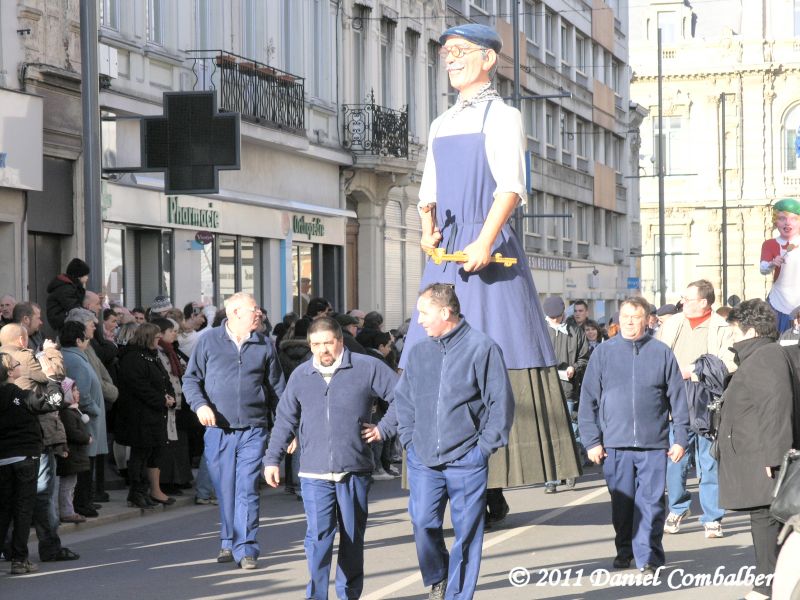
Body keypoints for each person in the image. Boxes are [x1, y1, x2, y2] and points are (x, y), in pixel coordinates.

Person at [399, 22, 579, 524]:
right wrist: (428, 228)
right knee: (431, 348)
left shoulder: (503, 116)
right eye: (446, 53)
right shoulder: (440, 123)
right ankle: (440, 470)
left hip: (487, 246)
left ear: (488, 59)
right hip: (448, 250)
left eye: (460, 51)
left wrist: (484, 240)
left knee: (501, 349)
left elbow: (511, 187)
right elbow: (428, 191)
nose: (451, 59)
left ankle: (494, 477)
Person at [389, 284, 514, 599]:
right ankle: (438, 575)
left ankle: (459, 595)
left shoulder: (482, 348)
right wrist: (409, 440)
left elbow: (500, 404)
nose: (419, 320)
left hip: (467, 460)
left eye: (424, 313)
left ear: (445, 312)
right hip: (423, 459)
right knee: (422, 522)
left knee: (467, 535)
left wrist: (482, 449)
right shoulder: (419, 351)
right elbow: (404, 400)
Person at [264, 317, 398, 600]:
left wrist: (383, 429)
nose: (322, 349)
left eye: (328, 343)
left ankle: (348, 594)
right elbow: (285, 418)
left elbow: (403, 397)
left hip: (354, 469)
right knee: (319, 538)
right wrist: (272, 459)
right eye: (316, 344)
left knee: (351, 537)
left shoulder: (366, 367)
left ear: (340, 340)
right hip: (314, 472)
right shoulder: (301, 375)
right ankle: (316, 595)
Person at [579, 296, 689, 574]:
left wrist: (680, 439)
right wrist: (591, 441)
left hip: (654, 444)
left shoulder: (661, 352)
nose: (629, 322)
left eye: (635, 317)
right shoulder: (603, 353)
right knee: (623, 505)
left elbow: (678, 399)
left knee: (651, 504)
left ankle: (649, 556)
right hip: (615, 445)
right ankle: (624, 549)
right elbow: (588, 400)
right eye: (625, 316)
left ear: (647, 320)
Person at [183, 292, 286, 570]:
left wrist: (288, 428)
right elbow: (191, 380)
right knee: (225, 489)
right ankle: (228, 540)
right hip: (218, 429)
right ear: (235, 313)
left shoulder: (265, 344)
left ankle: (247, 547)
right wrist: (200, 406)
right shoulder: (209, 341)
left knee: (247, 487)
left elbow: (278, 390)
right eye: (254, 309)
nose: (259, 313)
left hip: (254, 428)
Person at [717, 299, 797, 600]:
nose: (732, 337)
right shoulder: (763, 354)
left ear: (750, 331)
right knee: (765, 520)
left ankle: (766, 587)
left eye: (735, 331)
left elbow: (775, 407)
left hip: (764, 458)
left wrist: (776, 458)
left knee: (767, 522)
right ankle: (769, 585)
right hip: (758, 455)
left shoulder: (765, 357)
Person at [656, 280, 735, 539]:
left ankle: (712, 517)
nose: (683, 303)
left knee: (708, 461)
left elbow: (730, 362)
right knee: (675, 459)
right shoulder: (672, 324)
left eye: (688, 299)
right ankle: (678, 507)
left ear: (703, 302)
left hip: (707, 401)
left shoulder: (722, 327)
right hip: (675, 400)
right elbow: (657, 356)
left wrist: (694, 372)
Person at [0, 323, 78, 563]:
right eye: (15, 367)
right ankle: (32, 553)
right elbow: (52, 395)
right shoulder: (21, 382)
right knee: (34, 500)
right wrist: (52, 362)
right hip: (28, 447)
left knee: (6, 505)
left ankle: (10, 551)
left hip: (5, 453)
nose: (18, 367)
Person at [114, 323, 176, 509]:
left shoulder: (152, 355)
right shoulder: (133, 358)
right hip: (139, 415)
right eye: (156, 337)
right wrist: (161, 399)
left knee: (151, 453)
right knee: (139, 454)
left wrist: (169, 396)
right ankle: (136, 492)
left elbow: (165, 379)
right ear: (147, 337)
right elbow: (139, 386)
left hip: (154, 414)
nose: (159, 341)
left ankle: (145, 491)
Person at [541, 295, 590, 493]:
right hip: (546, 389)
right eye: (550, 318)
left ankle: (570, 471)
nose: (553, 321)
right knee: (550, 433)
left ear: (563, 314)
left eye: (556, 317)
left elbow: (584, 357)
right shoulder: (540, 331)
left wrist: (574, 368)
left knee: (569, 431)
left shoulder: (575, 331)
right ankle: (551, 479)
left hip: (568, 388)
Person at [60, 320, 107, 518]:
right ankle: (82, 502)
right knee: (85, 461)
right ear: (78, 341)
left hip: (86, 417)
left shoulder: (75, 357)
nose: (88, 342)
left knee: (86, 460)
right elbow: (82, 392)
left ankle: (85, 500)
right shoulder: (76, 360)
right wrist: (95, 410)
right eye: (86, 339)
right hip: (85, 418)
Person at [152, 318, 193, 495]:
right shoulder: (159, 352)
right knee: (167, 444)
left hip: (177, 402)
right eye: (172, 331)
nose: (175, 334)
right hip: (167, 402)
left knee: (177, 443)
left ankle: (178, 479)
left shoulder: (171, 351)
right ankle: (167, 481)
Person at [760, 198, 800, 332]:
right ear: (775, 221)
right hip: (778, 302)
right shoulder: (770, 244)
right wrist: (772, 263)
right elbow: (763, 268)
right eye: (782, 218)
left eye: (793, 219)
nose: (787, 223)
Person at [56, 378, 91, 524]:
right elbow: (72, 432)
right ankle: (66, 512)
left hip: (75, 455)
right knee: (67, 485)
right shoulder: (67, 412)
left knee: (71, 484)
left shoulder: (74, 410)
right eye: (74, 390)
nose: (78, 393)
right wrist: (86, 438)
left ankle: (69, 510)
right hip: (71, 454)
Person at [46, 258, 90, 333]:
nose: (87, 278)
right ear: (79, 276)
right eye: (86, 275)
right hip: (61, 320)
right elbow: (73, 307)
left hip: (64, 318)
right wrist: (89, 314)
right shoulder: (66, 288)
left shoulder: (71, 286)